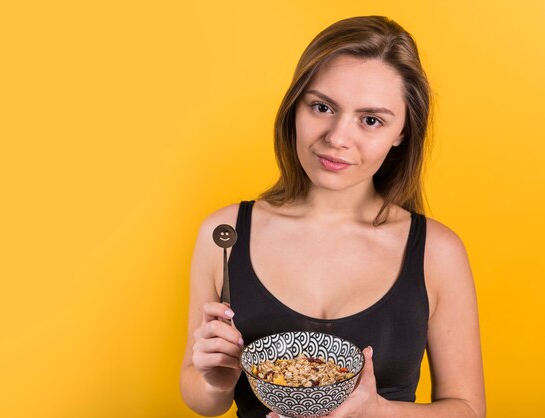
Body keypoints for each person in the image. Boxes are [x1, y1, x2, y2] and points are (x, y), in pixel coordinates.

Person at [180, 15, 485, 418]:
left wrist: (379, 412)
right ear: (295, 106)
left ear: (402, 133)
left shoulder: (437, 252)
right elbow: (200, 395)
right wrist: (215, 379)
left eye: (371, 120)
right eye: (322, 107)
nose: (337, 138)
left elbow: (468, 410)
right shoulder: (224, 233)